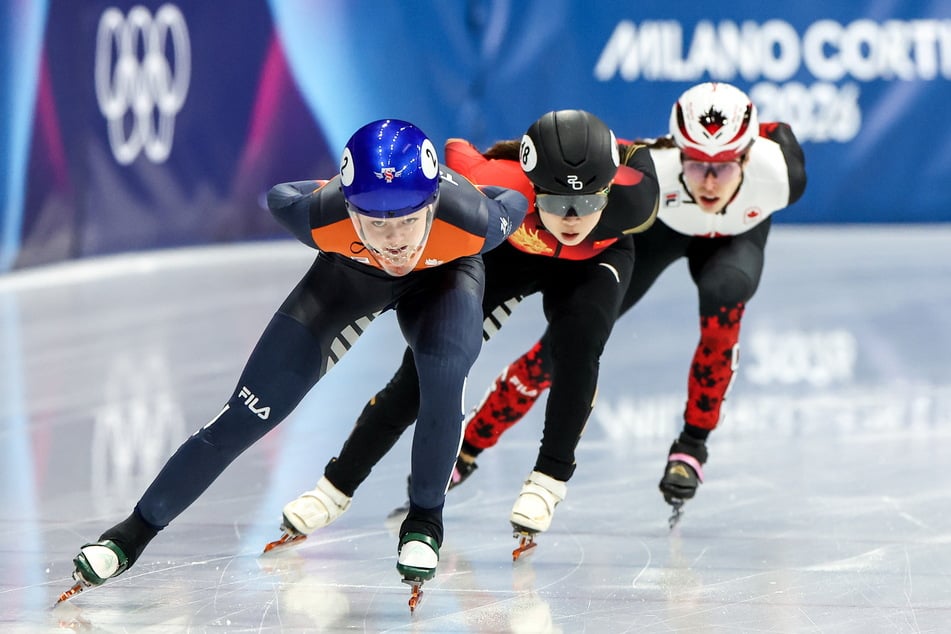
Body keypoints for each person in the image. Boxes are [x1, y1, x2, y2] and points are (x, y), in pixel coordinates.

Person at [60, 119, 528, 604]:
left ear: (433, 205)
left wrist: (477, 183)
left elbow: (512, 201)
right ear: (349, 209)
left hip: (444, 280)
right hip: (348, 279)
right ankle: (130, 535)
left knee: (443, 376)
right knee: (247, 413)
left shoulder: (474, 220)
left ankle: (426, 519)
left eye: (409, 220)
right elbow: (283, 193)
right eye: (376, 223)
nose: (394, 242)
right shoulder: (315, 215)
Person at [272, 110, 659, 554]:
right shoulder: (497, 182)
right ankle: (334, 487)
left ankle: (549, 480)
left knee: (580, 347)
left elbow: (641, 155)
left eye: (589, 203)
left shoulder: (637, 199)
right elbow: (455, 152)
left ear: (609, 191)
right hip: (514, 255)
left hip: (595, 265)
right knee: (421, 375)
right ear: (532, 188)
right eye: (555, 203)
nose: (572, 220)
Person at [448, 82, 807, 525]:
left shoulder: (783, 173)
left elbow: (774, 128)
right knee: (567, 343)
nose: (710, 182)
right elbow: (578, 151)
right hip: (663, 228)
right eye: (695, 165)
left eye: (725, 167)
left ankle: (693, 445)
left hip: (736, 241)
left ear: (749, 156)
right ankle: (471, 445)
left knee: (724, 306)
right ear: (676, 150)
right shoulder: (652, 169)